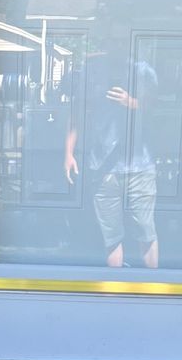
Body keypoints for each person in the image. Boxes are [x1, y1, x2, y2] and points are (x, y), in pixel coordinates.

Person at [64, 43, 159, 269]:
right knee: (111, 236)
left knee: (146, 232)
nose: (116, 40)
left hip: (140, 166)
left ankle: (153, 296)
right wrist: (68, 152)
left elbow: (155, 107)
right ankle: (114, 293)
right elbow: (77, 111)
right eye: (112, 35)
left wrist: (131, 102)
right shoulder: (93, 70)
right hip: (103, 167)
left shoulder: (143, 70)